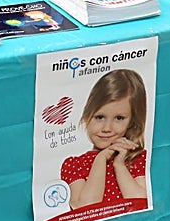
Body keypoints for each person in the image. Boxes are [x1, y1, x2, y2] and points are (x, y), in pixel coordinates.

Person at [61, 68, 148, 210]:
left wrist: (119, 166)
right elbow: (84, 209)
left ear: (132, 122)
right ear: (86, 116)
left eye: (119, 118)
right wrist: (100, 160)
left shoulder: (138, 158)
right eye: (99, 117)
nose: (107, 128)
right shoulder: (74, 165)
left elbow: (142, 204)